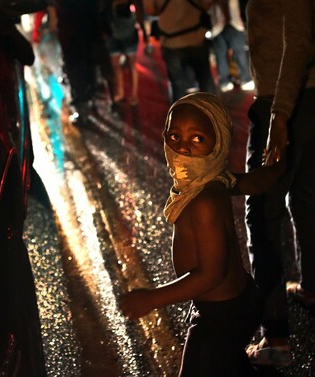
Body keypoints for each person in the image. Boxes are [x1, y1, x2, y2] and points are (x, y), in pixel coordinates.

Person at [119, 92, 286, 376]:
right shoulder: (215, 179)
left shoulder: (205, 202)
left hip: (223, 313)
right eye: (174, 136)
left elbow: (211, 275)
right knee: (229, 365)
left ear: (217, 144)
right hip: (234, 302)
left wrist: (151, 298)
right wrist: (278, 164)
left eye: (197, 138)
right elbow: (256, 182)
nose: (182, 147)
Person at [243, 0, 315, 366]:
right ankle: (312, 288)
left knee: (261, 213)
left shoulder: (282, 108)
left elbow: (297, 42)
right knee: (303, 195)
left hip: (288, 103)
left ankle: (276, 338)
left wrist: (280, 114)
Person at [54, 0, 115, 126]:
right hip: (90, 35)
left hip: (73, 37)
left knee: (77, 74)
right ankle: (90, 101)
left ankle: (82, 111)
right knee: (90, 69)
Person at [143, 0, 217, 104]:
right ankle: (214, 114)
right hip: (196, 37)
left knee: (178, 85)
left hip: (171, 41)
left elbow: (149, 9)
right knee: (205, 80)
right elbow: (207, 3)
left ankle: (180, 117)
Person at [104, 0, 149, 107]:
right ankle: (129, 94)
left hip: (117, 34)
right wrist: (143, 32)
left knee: (121, 65)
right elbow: (139, 13)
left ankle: (125, 93)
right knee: (128, 64)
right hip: (124, 33)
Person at [209, 0, 254, 92]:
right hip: (217, 28)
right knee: (221, 56)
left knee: (240, 53)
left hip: (235, 25)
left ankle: (245, 79)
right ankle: (224, 81)